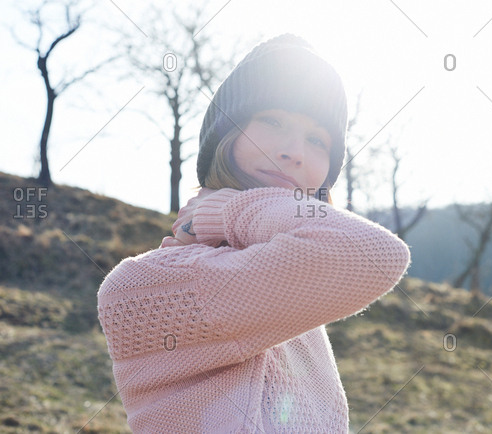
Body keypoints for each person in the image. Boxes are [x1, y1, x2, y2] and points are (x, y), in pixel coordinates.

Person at [97, 34, 411, 433]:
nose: (294, 150)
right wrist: (229, 209)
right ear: (224, 136)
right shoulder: (142, 286)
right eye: (273, 120)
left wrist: (225, 211)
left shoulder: (295, 302)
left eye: (317, 140)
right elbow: (376, 254)